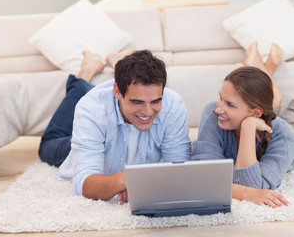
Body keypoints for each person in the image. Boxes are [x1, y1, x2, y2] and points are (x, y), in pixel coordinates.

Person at [39, 49, 191, 203]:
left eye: (155, 101)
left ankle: (117, 63)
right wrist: (128, 180)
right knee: (47, 145)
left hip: (109, 111)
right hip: (85, 138)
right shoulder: (91, 108)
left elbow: (179, 171)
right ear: (117, 91)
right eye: (137, 102)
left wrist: (142, 184)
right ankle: (87, 71)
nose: (148, 111)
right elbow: (83, 184)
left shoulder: (173, 105)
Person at [191, 42, 294, 208]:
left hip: (292, 131)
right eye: (220, 98)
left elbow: (253, 185)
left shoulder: (286, 138)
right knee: (261, 100)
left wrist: (248, 128)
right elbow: (203, 175)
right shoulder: (214, 112)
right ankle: (266, 69)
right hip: (259, 111)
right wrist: (245, 193)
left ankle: (267, 70)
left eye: (229, 105)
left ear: (255, 114)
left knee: (281, 104)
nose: (219, 109)